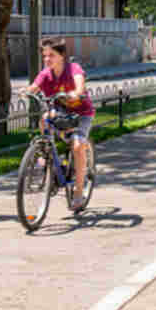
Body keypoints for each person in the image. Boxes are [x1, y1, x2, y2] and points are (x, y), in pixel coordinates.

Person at [27, 38, 95, 210]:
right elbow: (34, 86)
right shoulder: (46, 73)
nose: (47, 59)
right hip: (60, 112)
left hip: (81, 114)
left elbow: (80, 86)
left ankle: (78, 193)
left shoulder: (73, 69)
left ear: (62, 55)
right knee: (44, 119)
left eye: (52, 55)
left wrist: (76, 94)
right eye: (45, 56)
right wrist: (24, 92)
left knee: (78, 146)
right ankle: (45, 152)